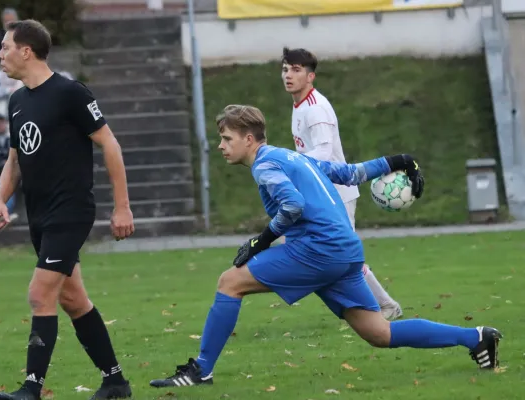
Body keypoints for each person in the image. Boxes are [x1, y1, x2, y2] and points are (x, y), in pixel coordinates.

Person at [148, 104, 502, 388]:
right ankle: (476, 338)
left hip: (318, 251)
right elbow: (350, 173)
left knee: (230, 281)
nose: (222, 146)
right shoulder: (294, 157)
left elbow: (293, 205)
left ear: (250, 139)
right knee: (380, 333)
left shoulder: (265, 166)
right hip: (345, 251)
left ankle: (201, 371)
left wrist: (260, 241)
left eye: (226, 138)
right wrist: (400, 161)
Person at [0, 20, 135, 400]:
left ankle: (31, 388)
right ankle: (115, 381)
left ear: (26, 50)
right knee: (73, 299)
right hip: (40, 215)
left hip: (70, 212)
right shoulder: (17, 101)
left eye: (5, 47)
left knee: (40, 294)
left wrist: (122, 207)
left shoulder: (70, 93)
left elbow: (110, 145)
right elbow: (15, 160)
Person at [281, 47, 403, 320]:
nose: (288, 75)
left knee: (346, 257)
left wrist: (290, 167)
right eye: (285, 69)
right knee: (316, 248)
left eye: (296, 70)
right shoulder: (299, 104)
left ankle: (386, 305)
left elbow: (323, 155)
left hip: (336, 193)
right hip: (320, 192)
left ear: (310, 76)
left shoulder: (316, 110)